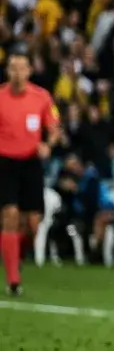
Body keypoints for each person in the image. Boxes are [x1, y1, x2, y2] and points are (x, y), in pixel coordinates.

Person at [0, 49, 59, 295]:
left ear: (29, 71)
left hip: (31, 163)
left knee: (33, 224)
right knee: (10, 215)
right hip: (4, 163)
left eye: (22, 68)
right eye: (13, 68)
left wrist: (48, 144)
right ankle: (14, 280)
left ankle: (16, 255)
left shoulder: (41, 97)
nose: (17, 73)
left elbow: (54, 128)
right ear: (7, 71)